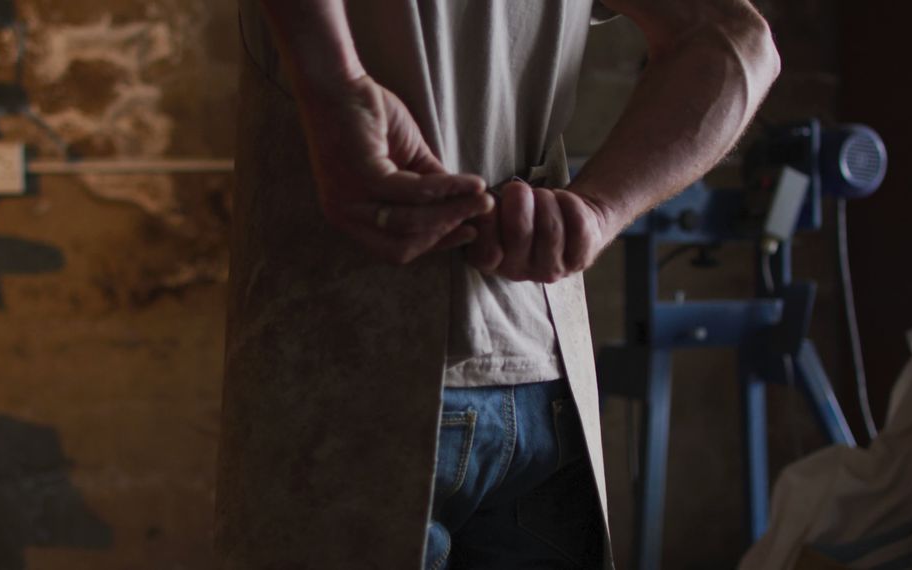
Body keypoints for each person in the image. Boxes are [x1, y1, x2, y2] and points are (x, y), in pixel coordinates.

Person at [215, 1, 780, 568]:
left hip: (347, 373)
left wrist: (335, 87)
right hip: (540, 377)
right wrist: (600, 209)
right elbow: (735, 41)